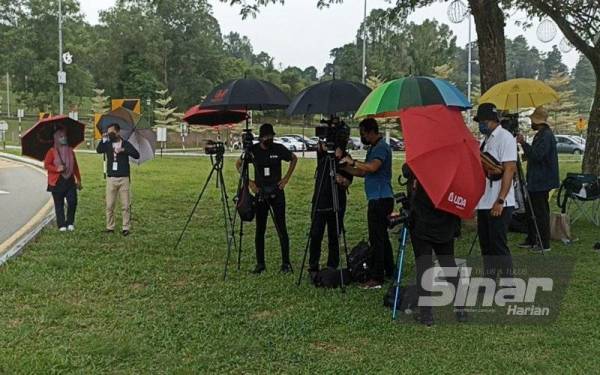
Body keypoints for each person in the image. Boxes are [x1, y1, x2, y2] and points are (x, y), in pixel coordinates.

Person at [402, 164, 466, 325]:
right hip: (445, 223)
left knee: (424, 267)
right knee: (449, 265)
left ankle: (426, 315)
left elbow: (406, 170)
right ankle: (461, 309)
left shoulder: (426, 163)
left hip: (423, 223)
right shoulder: (455, 167)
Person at [236, 123, 298, 274]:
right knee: (260, 229)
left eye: (271, 136)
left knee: (281, 228)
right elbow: (238, 164)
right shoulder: (254, 150)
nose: (269, 139)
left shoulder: (278, 148)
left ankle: (286, 263)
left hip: (277, 193)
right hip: (261, 194)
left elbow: (294, 159)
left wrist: (285, 179)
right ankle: (260, 263)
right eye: (266, 137)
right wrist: (249, 182)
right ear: (261, 137)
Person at [341, 118, 394, 289]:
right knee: (382, 237)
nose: (362, 137)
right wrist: (344, 167)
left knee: (376, 239)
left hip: (380, 199)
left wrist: (353, 161)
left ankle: (377, 277)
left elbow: (372, 168)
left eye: (363, 133)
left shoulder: (381, 148)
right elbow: (364, 173)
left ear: (371, 131)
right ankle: (390, 269)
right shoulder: (373, 148)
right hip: (377, 197)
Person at [475, 103, 517, 281]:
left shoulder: (505, 138)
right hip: (484, 200)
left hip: (499, 202)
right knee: (486, 245)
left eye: (482, 121)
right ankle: (489, 281)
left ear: (492, 120)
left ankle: (508, 283)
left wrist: (500, 201)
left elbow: (509, 169)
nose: (480, 125)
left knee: (498, 245)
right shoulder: (487, 139)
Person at [309, 118, 353, 273]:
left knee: (334, 235)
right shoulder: (323, 154)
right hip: (320, 199)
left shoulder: (346, 158)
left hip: (337, 201)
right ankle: (313, 266)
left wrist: (341, 179)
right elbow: (320, 147)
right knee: (315, 234)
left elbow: (348, 181)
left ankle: (332, 267)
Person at [516, 107, 560, 253]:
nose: (531, 123)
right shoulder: (540, 135)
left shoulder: (546, 136)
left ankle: (544, 243)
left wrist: (523, 143)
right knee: (531, 210)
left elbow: (538, 155)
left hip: (541, 181)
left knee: (540, 213)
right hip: (536, 179)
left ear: (538, 122)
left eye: (532, 121)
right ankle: (532, 238)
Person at [96, 123, 140, 236]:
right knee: (109, 205)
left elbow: (136, 155)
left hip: (124, 178)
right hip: (111, 178)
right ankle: (110, 227)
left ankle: (126, 227)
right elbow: (99, 150)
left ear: (117, 132)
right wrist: (103, 139)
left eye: (112, 132)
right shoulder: (108, 143)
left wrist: (123, 150)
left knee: (125, 205)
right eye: (108, 132)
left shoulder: (125, 143)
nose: (110, 134)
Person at [44, 127, 82, 232]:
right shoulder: (51, 151)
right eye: (61, 136)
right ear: (56, 138)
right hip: (57, 182)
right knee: (59, 204)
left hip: (69, 180)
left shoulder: (70, 151)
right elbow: (46, 165)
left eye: (64, 136)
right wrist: (57, 169)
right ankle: (61, 225)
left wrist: (78, 179)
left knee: (73, 201)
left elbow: (75, 166)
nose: (63, 138)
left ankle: (70, 222)